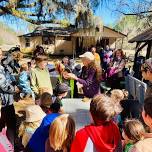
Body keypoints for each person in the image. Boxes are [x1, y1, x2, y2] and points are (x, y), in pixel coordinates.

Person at [0, 48, 20, 146]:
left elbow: (9, 75)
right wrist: (14, 89)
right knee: (11, 123)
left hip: (5, 100)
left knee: (3, 120)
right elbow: (3, 85)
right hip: (5, 100)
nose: (1, 57)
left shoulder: (3, 65)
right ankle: (10, 145)